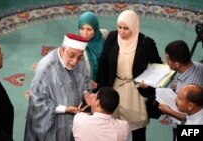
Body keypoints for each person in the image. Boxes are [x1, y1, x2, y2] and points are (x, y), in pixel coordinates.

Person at [98, 10, 163, 141]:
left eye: (126, 28)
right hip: (115, 89)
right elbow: (103, 65)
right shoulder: (112, 37)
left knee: (138, 132)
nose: (121, 32)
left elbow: (158, 67)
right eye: (119, 27)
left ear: (134, 26)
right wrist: (101, 90)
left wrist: (149, 82)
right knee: (113, 129)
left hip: (136, 92)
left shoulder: (146, 43)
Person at [24, 33, 94, 141]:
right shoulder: (45, 68)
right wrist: (64, 109)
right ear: (62, 50)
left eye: (79, 57)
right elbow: (37, 100)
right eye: (71, 55)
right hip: (54, 123)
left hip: (75, 118)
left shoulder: (79, 59)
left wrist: (86, 94)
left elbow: (85, 80)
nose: (75, 61)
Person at [158, 40, 203, 141]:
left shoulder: (192, 85)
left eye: (168, 60)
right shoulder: (195, 66)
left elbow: (191, 115)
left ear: (177, 64)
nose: (167, 63)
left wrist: (169, 111)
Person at [78, 11, 109, 91]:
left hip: (104, 83)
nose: (85, 33)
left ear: (95, 28)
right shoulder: (77, 45)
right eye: (82, 29)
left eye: (89, 29)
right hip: (85, 88)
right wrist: (87, 82)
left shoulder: (104, 37)